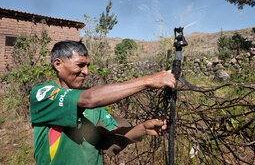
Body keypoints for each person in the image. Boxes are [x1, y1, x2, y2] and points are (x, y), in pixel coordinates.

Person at [30, 40, 176, 165]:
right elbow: (89, 99)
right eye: (80, 65)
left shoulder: (91, 102)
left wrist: (143, 128)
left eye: (87, 65)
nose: (86, 72)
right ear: (58, 64)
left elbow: (112, 137)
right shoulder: (44, 93)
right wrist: (148, 81)